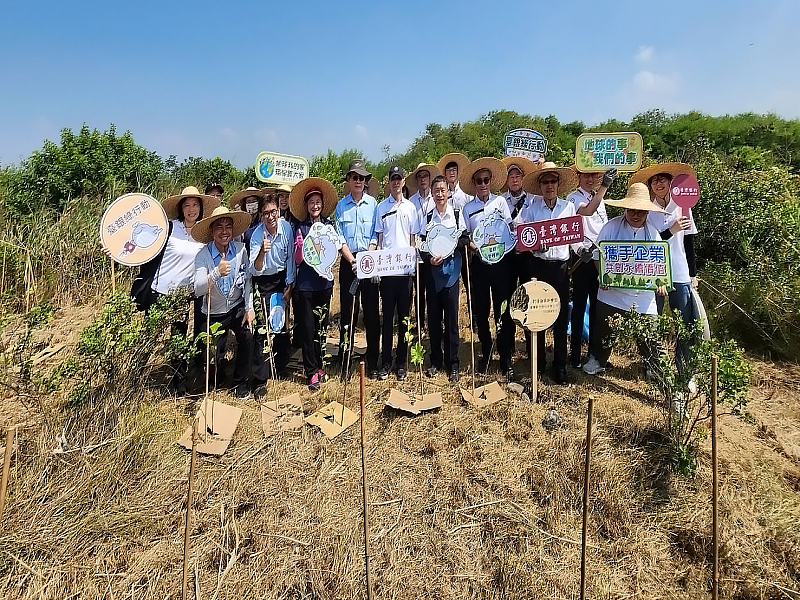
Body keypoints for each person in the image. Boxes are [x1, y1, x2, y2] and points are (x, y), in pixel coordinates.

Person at [123, 186, 220, 395]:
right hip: (159, 292)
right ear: (181, 208)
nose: (191, 209)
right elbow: (140, 242)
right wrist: (116, 249)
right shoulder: (168, 228)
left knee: (178, 339)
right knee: (148, 337)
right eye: (187, 205)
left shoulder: (204, 235)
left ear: (201, 208)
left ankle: (179, 383)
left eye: (195, 205)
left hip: (182, 296)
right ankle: (133, 377)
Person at [582, 183, 669, 375]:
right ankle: (597, 360)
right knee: (603, 329)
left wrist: (661, 282)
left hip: (643, 296)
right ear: (625, 209)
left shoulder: (653, 233)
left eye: (641, 211)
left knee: (650, 334)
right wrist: (603, 275)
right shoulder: (611, 227)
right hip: (612, 293)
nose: (636, 215)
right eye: (632, 210)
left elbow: (659, 263)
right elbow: (598, 255)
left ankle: (654, 368)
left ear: (647, 212)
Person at [192, 206, 268, 399]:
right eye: (219, 227)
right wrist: (216, 272)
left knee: (249, 337)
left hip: (236, 308)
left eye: (228, 226)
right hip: (212, 312)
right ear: (212, 231)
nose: (224, 232)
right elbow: (198, 288)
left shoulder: (241, 250)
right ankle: (217, 375)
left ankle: (239, 382)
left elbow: (248, 279)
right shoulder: (203, 255)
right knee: (211, 356)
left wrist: (249, 308)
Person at [632, 162, 698, 372]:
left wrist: (693, 274)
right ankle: (653, 365)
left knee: (684, 322)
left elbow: (689, 243)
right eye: (654, 181)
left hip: (679, 272)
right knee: (652, 320)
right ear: (650, 186)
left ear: (671, 183)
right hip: (654, 272)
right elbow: (648, 242)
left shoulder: (683, 206)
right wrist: (672, 229)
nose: (658, 184)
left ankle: (684, 370)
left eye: (662, 179)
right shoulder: (647, 210)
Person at [520, 163, 580, 384]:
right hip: (539, 267)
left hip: (561, 269)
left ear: (558, 184)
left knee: (561, 318)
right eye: (545, 182)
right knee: (538, 316)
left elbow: (575, 238)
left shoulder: (568, 207)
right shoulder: (532, 208)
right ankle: (539, 363)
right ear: (540, 185)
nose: (549, 186)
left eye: (552, 181)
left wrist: (581, 249)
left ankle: (560, 366)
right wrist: (535, 246)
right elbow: (523, 236)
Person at [461, 157, 515, 379]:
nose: (483, 184)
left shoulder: (501, 203)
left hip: (501, 265)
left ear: (491, 182)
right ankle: (485, 352)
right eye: (479, 181)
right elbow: (464, 236)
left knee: (503, 309)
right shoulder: (467, 208)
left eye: (486, 180)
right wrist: (475, 249)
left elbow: (509, 230)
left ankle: (505, 358)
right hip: (480, 266)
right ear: (474, 184)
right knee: (481, 312)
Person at [289, 177, 343, 391]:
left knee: (321, 328)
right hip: (305, 287)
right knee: (308, 329)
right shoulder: (299, 227)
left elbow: (335, 251)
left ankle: (321, 366)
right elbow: (297, 259)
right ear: (306, 205)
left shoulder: (329, 226)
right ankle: (311, 371)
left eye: (318, 202)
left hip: (324, 285)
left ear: (322, 204)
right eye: (311, 202)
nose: (315, 206)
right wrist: (300, 248)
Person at [334, 158, 381, 378]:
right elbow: (338, 238)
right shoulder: (340, 207)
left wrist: (367, 257)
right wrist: (351, 260)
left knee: (371, 314)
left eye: (362, 178)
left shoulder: (373, 205)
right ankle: (345, 362)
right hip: (348, 263)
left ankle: (373, 361)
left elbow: (376, 233)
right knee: (348, 314)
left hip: (368, 261)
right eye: (355, 177)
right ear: (348, 180)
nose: (358, 181)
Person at [419, 175, 469, 382]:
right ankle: (436, 360)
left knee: (451, 320)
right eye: (436, 191)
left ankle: (453, 363)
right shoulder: (428, 217)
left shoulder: (456, 215)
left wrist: (450, 246)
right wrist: (429, 259)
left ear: (448, 191)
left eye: (443, 190)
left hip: (451, 272)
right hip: (433, 273)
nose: (440, 194)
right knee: (433, 318)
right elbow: (421, 245)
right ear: (432, 194)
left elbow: (465, 239)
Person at [566, 166, 617, 368]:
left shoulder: (598, 196)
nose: (590, 179)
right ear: (578, 176)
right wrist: (605, 186)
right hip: (582, 258)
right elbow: (587, 211)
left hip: (599, 258)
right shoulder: (573, 198)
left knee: (599, 308)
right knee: (579, 307)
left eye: (594, 176)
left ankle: (595, 355)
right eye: (585, 175)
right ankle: (575, 354)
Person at [374, 165, 420, 381]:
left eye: (399, 179)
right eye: (392, 179)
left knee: (404, 319)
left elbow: (413, 239)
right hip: (387, 272)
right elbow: (380, 239)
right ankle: (386, 361)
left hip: (405, 273)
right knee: (387, 320)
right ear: (389, 182)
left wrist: (413, 266)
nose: (396, 182)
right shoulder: (381, 207)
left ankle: (401, 362)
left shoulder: (411, 208)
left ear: (403, 182)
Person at [249, 193, 295, 381]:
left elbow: (291, 257)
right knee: (262, 329)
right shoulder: (256, 235)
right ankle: (260, 377)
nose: (270, 216)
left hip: (282, 279)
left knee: (282, 325)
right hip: (264, 282)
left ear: (279, 211)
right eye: (266, 213)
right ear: (261, 215)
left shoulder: (286, 228)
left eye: (273, 211)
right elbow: (255, 269)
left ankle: (280, 366)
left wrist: (290, 285)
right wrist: (262, 251)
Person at [501, 156, 540, 357]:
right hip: (508, 257)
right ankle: (507, 345)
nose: (515, 180)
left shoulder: (532, 199)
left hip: (527, 256)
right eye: (511, 176)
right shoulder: (501, 201)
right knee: (508, 299)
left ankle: (530, 345)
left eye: (518, 176)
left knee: (527, 298)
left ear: (523, 178)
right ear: (506, 180)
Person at [407, 162, 442, 332]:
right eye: (419, 177)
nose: (423, 179)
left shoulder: (437, 198)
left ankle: (436, 324)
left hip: (435, 246)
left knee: (434, 288)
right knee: (419, 289)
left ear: (430, 179)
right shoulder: (411, 202)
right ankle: (420, 324)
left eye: (425, 176)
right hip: (418, 247)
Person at [437, 152, 473, 307]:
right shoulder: (441, 192)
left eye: (454, 169)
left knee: (469, 281)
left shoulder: (466, 192)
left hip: (463, 242)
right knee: (449, 281)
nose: (451, 172)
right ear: (444, 173)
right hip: (446, 243)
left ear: (458, 172)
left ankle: (475, 317)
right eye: (448, 169)